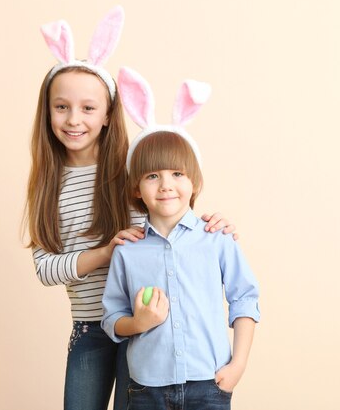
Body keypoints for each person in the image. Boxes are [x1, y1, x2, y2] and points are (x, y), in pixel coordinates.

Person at [25, 9, 236, 410]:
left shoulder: (128, 170)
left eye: (88, 108)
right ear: (47, 111)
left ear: (107, 115)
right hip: (90, 328)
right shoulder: (46, 184)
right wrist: (105, 252)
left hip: (144, 327)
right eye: (61, 107)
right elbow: (44, 269)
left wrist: (210, 222)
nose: (74, 119)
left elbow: (170, 218)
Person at [101, 67, 260, 410]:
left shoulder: (217, 238)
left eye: (177, 173)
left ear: (194, 182)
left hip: (209, 384)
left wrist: (238, 365)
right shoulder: (128, 251)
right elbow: (112, 318)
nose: (166, 185)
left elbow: (244, 299)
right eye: (152, 175)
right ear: (136, 188)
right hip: (146, 389)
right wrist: (138, 322)